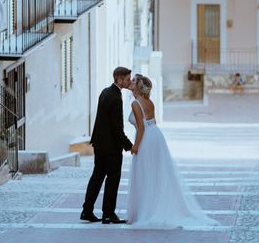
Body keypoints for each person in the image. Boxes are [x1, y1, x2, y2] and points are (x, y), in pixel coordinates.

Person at [125, 74, 216, 229]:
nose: (131, 82)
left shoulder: (135, 103)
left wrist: (135, 146)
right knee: (156, 173)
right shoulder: (149, 102)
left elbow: (141, 127)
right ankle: (151, 208)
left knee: (146, 174)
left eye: (133, 80)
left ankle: (147, 211)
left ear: (139, 86)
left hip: (146, 138)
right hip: (156, 136)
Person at [81, 66, 133, 224]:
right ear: (119, 79)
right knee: (113, 179)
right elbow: (117, 127)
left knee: (97, 177)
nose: (129, 82)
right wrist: (129, 145)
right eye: (127, 79)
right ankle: (108, 213)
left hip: (99, 144)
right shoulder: (116, 97)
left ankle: (87, 211)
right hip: (111, 147)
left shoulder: (105, 91)